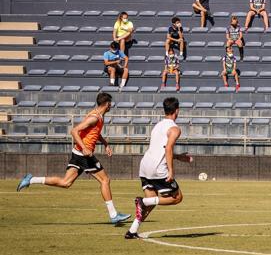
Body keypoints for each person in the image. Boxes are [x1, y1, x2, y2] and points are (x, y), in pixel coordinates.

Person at [17, 93, 130, 225]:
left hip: (78, 153)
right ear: (107, 104)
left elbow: (95, 133)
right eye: (110, 103)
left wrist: (105, 144)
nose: (111, 106)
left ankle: (31, 179)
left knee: (66, 183)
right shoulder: (94, 117)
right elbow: (74, 131)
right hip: (84, 155)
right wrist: (84, 148)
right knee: (105, 180)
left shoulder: (98, 116)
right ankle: (114, 215)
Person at [125, 97, 193, 239]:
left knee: (152, 202)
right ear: (177, 110)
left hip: (144, 166)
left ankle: (132, 231)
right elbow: (168, 148)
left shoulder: (157, 126)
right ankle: (142, 201)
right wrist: (171, 171)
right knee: (177, 197)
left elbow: (160, 149)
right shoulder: (175, 129)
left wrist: (179, 157)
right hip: (158, 169)